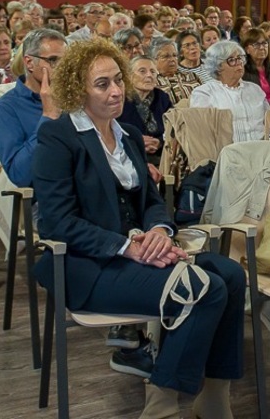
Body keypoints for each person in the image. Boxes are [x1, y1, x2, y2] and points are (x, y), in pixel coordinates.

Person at [32, 38, 244, 419]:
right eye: (102, 84)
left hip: (139, 252)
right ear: (78, 89)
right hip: (87, 265)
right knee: (202, 289)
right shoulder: (57, 136)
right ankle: (161, 407)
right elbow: (56, 222)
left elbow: (149, 201)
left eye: (117, 80)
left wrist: (160, 231)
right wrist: (127, 246)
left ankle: (214, 398)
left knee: (230, 274)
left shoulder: (127, 133)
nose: (115, 91)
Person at [0, 29, 66, 187]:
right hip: (43, 198)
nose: (62, 68)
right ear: (29, 62)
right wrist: (48, 117)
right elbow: (20, 174)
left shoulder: (75, 99)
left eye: (66, 62)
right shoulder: (5, 109)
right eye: (53, 60)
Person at [189, 41, 270, 143]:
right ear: (218, 67)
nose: (239, 63)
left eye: (240, 58)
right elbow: (201, 134)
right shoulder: (204, 93)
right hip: (228, 153)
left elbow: (269, 122)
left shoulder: (255, 89)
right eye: (231, 60)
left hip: (263, 149)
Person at [119, 55, 173, 163]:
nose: (149, 75)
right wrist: (136, 141)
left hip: (161, 155)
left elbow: (173, 127)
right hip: (127, 154)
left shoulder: (162, 97)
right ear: (129, 76)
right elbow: (109, 129)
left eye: (153, 72)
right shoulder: (120, 98)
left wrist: (160, 142)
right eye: (142, 71)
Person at [242, 28, 270, 106]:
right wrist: (268, 107)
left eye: (264, 43)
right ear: (247, 49)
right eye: (256, 44)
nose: (262, 47)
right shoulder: (243, 71)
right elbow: (245, 100)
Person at [150, 36, 200, 105]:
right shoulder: (152, 83)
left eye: (174, 55)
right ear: (154, 60)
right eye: (166, 56)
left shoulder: (192, 76)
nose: (172, 59)